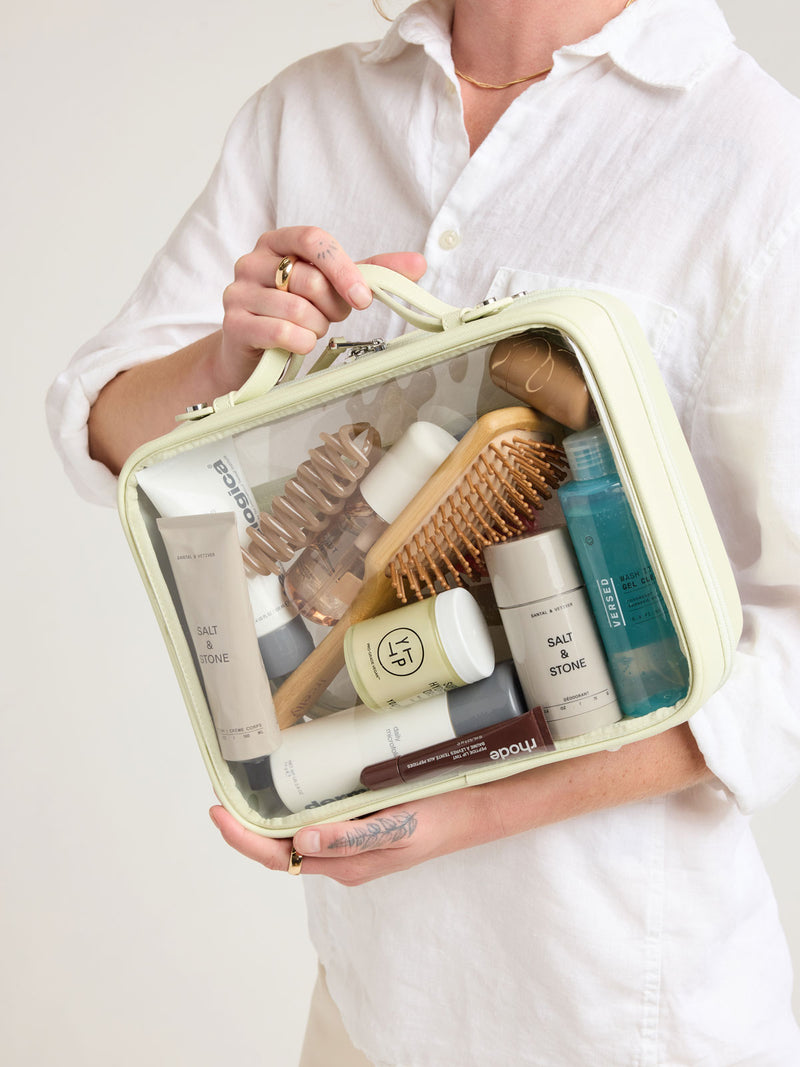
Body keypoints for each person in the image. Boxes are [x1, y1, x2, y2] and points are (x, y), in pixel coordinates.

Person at [47, 0, 800, 1063]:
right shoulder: (309, 114)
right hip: (366, 1006)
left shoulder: (751, 156)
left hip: (615, 1006)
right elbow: (106, 425)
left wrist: (460, 813)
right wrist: (227, 365)